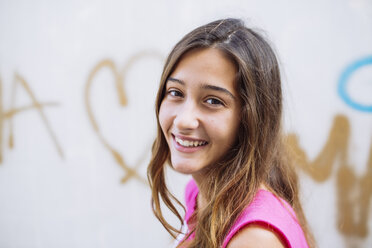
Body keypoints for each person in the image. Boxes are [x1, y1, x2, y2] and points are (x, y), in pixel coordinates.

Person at [147, 18, 315, 248]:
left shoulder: (255, 238)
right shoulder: (199, 192)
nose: (184, 120)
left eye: (213, 100)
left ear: (250, 119)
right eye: (176, 92)